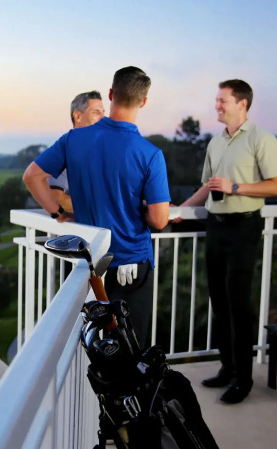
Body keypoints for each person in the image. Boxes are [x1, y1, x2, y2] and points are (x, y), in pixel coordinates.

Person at [23, 66, 170, 350]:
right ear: (143, 102)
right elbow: (159, 219)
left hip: (89, 264)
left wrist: (58, 214)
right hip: (131, 263)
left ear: (112, 94)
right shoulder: (150, 154)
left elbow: (32, 176)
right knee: (130, 350)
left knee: (94, 348)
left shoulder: (73, 139)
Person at [176, 79, 277, 404]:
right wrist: (179, 211)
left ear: (242, 103)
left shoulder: (261, 139)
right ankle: (227, 368)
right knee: (219, 302)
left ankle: (244, 379)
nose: (217, 105)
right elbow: (207, 187)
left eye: (222, 100)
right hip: (216, 226)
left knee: (238, 304)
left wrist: (236, 187)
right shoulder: (216, 142)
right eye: (217, 100)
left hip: (244, 227)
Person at [48, 91, 105, 213]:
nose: (103, 119)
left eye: (103, 113)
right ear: (78, 116)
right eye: (96, 113)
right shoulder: (65, 152)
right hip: (84, 225)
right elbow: (56, 199)